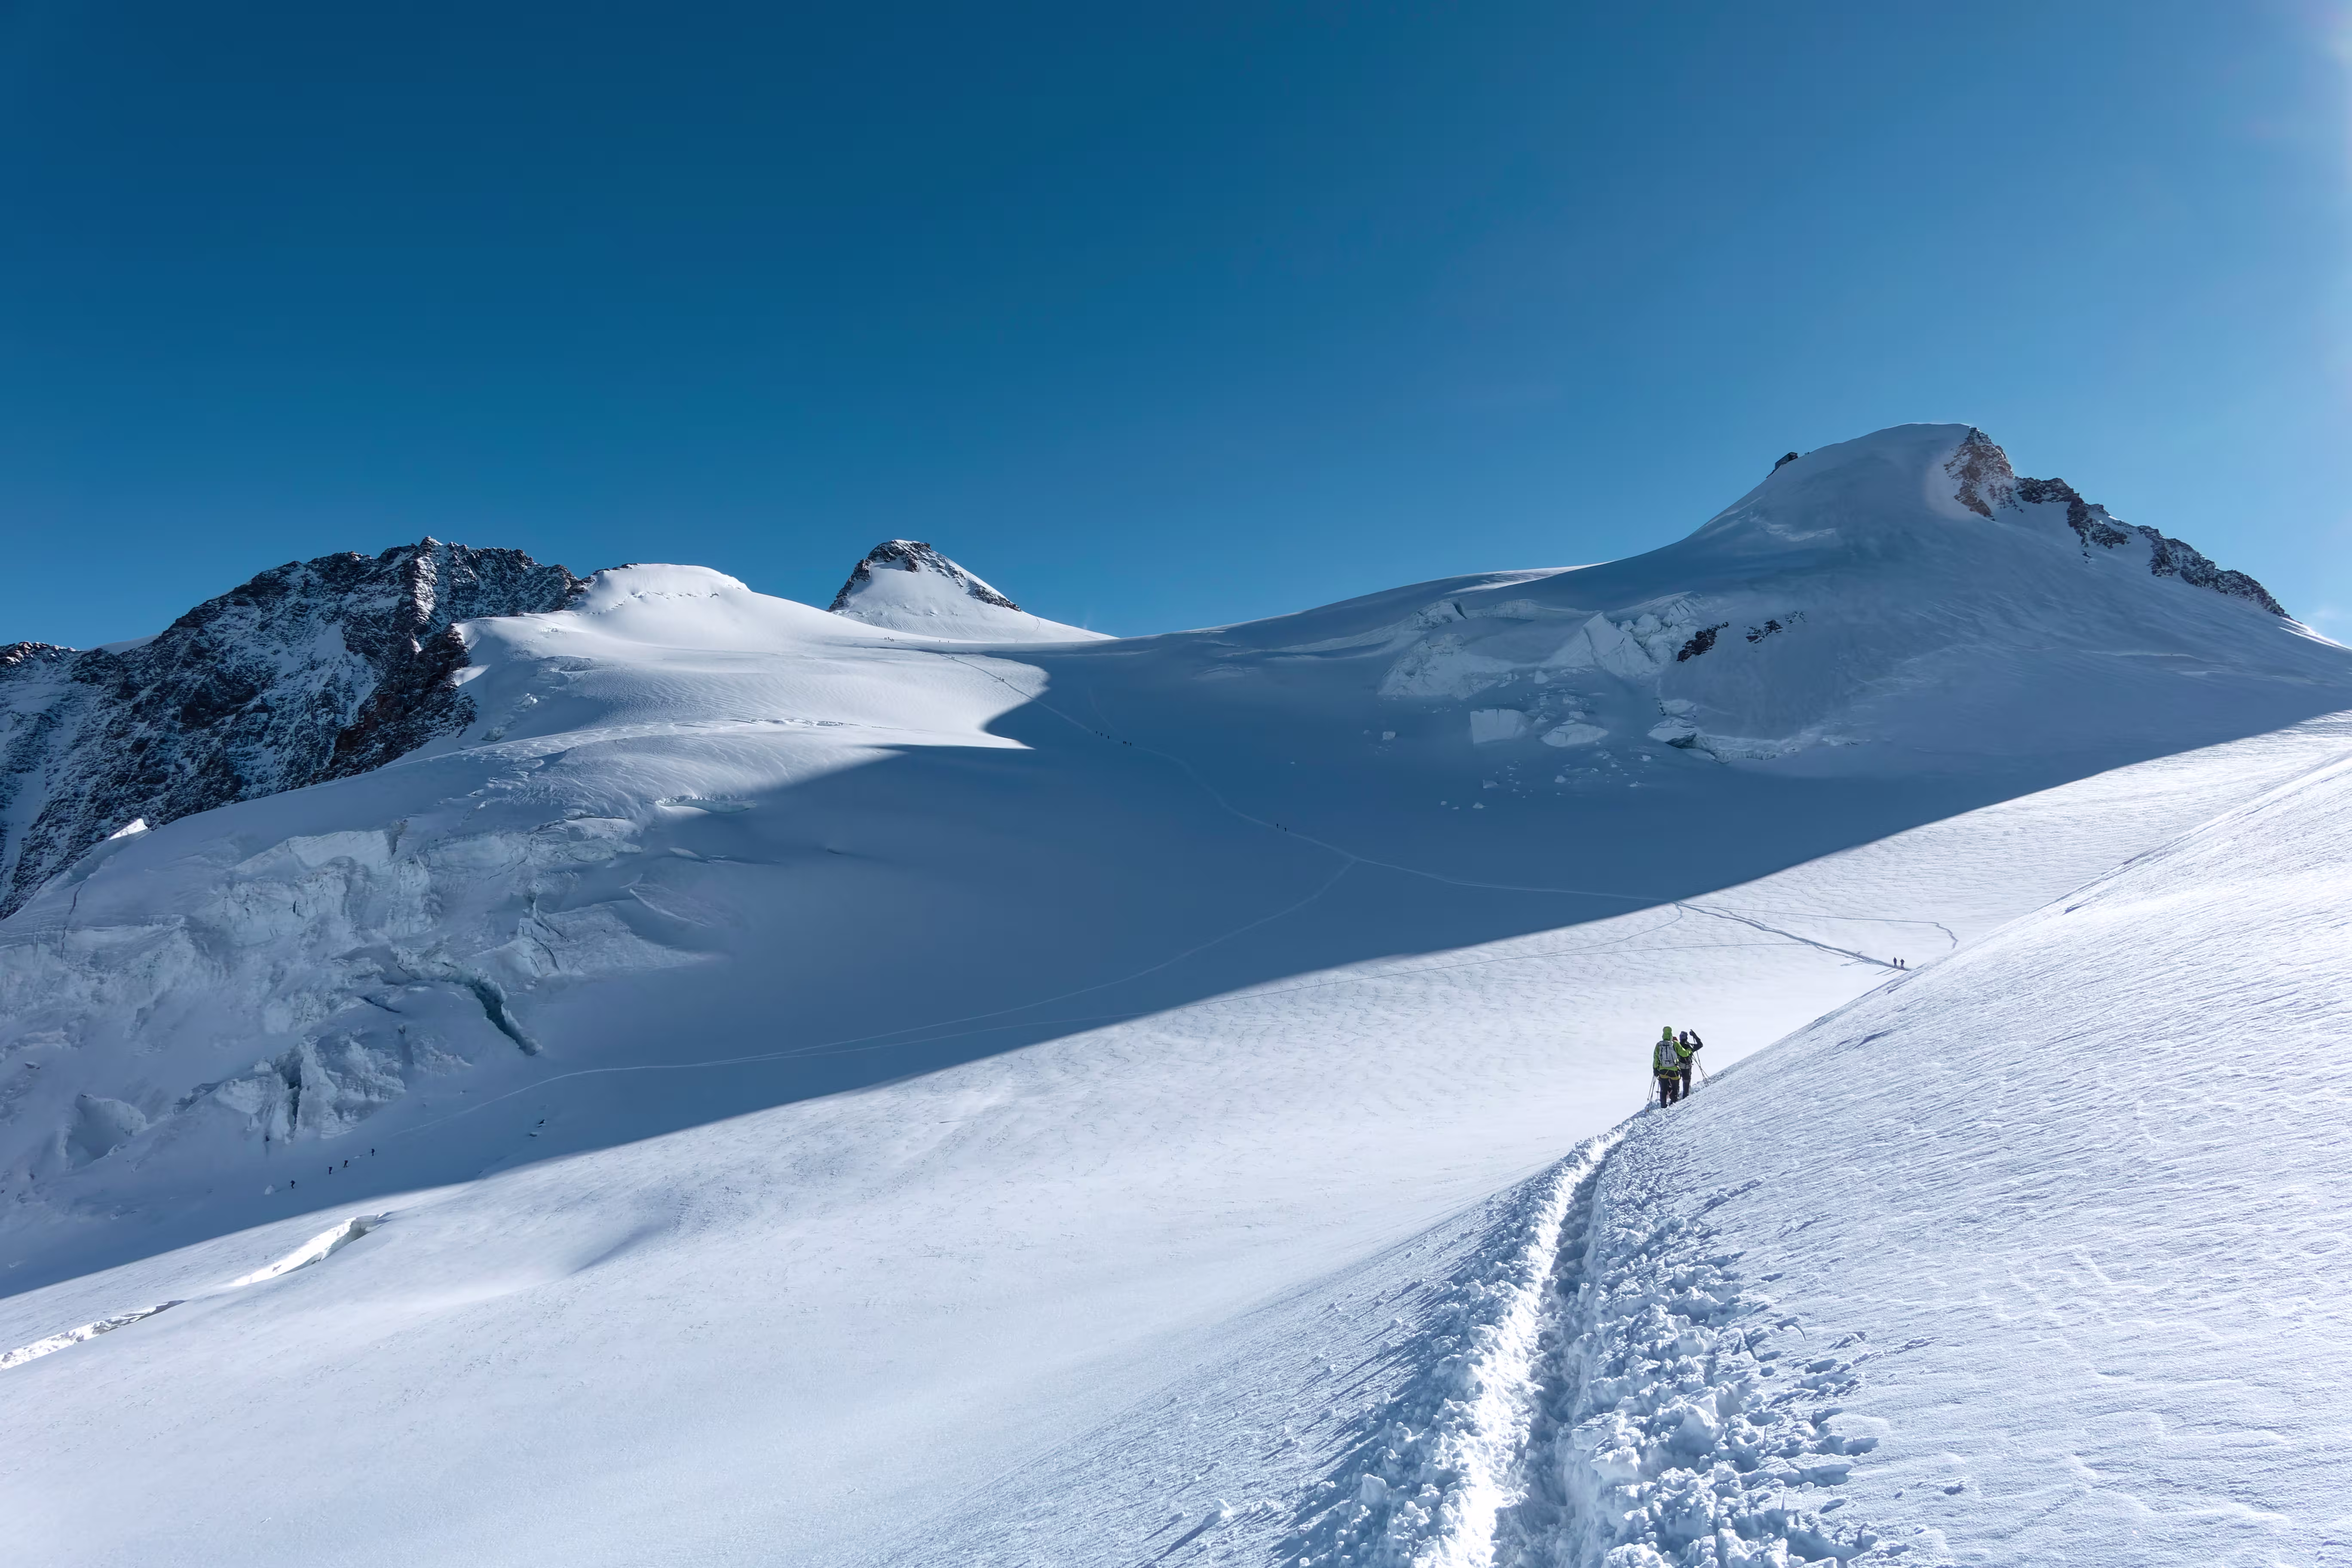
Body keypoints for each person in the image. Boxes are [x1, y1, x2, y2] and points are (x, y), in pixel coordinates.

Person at [1653, 1026, 1685, 1107]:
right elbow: (1683, 1053)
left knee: (1663, 1089)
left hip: (1663, 1070)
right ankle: (1674, 1102)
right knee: (1675, 1087)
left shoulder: (1659, 1045)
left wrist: (1655, 1068)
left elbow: (1656, 1057)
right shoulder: (1675, 1044)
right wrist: (1689, 1051)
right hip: (1674, 1069)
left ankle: (1663, 1105)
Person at [1677, 1029, 1704, 1097]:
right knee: (1686, 1082)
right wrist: (1694, 1035)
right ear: (1686, 1038)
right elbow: (1700, 1045)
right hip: (1687, 1067)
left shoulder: (1677, 1046)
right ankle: (1685, 1096)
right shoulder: (1690, 1046)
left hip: (1677, 1067)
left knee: (1676, 1082)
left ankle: (1675, 1097)